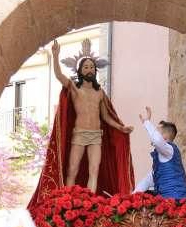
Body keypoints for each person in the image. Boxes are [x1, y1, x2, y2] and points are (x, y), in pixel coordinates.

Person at [51, 39, 133, 193]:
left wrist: (121, 127)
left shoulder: (99, 92)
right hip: (80, 133)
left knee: (94, 170)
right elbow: (58, 75)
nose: (89, 69)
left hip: (96, 135)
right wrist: (55, 56)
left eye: (92, 67)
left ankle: (91, 203)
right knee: (72, 170)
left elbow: (106, 117)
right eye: (86, 67)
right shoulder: (75, 88)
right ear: (80, 70)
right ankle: (67, 201)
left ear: (95, 71)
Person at [136, 106, 186, 199]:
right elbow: (148, 180)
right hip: (167, 201)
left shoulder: (169, 149)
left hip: (178, 200)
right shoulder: (160, 157)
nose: (153, 134)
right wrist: (132, 197)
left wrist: (147, 123)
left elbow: (157, 140)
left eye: (157, 131)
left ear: (164, 137)